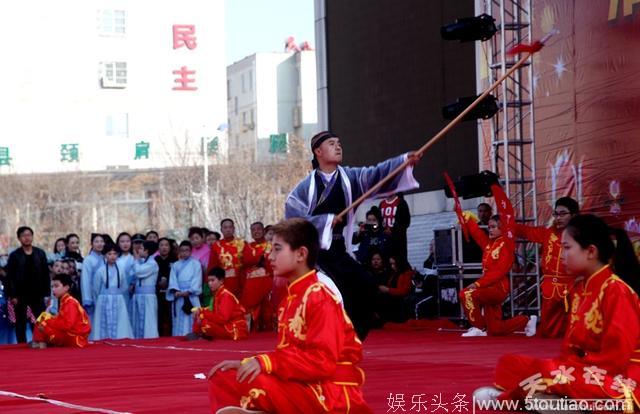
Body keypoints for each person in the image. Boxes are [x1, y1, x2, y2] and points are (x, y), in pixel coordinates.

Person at [474, 215, 640, 412]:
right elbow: (570, 349)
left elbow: (616, 358)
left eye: (567, 248)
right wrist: (564, 367)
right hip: (581, 371)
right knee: (510, 364)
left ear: (591, 252)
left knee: (549, 373)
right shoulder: (579, 289)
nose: (561, 254)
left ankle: (510, 399)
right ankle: (554, 398)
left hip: (618, 376)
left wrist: (568, 370)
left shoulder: (616, 290)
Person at [208, 218, 371, 413]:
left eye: (277, 249)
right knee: (226, 375)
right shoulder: (291, 297)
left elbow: (322, 361)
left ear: (301, 254)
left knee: (252, 379)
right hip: (302, 381)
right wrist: (250, 363)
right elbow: (290, 355)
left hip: (329, 390)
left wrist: (267, 362)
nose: (270, 256)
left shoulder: (319, 296)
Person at [285, 130, 420, 340]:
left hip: (339, 251)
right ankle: (326, 342)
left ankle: (351, 341)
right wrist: (326, 221)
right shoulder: (304, 189)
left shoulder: (351, 178)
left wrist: (403, 162)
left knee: (366, 289)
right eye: (332, 144)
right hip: (316, 256)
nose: (338, 147)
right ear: (318, 151)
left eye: (339, 143)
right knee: (331, 297)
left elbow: (376, 174)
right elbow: (293, 220)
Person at [457, 183, 537, 337]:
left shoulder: (506, 246)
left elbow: (499, 271)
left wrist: (478, 284)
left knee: (466, 293)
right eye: (489, 226)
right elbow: (476, 234)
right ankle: (527, 320)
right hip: (489, 289)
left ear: (502, 228)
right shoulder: (490, 244)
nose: (490, 229)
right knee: (496, 329)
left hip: (497, 289)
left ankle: (478, 327)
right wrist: (465, 217)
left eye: (493, 227)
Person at [514, 196, 579, 338]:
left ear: (574, 215)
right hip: (550, 286)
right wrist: (506, 223)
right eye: (556, 214)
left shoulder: (581, 236)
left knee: (575, 325)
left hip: (573, 285)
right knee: (549, 330)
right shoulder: (548, 233)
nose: (558, 218)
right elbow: (525, 231)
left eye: (563, 214)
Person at [5, 226, 51, 343]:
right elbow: (10, 277)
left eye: (29, 235)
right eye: (24, 235)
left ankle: (41, 341)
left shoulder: (40, 253)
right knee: (20, 322)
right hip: (20, 294)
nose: (27, 238)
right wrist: (13, 295)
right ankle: (21, 344)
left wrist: (47, 293)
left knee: (40, 319)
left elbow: (46, 274)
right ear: (19, 238)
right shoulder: (15, 256)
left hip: (38, 293)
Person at [30, 273, 91, 349]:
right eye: (52, 286)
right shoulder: (65, 300)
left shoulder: (70, 303)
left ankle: (41, 342)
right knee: (44, 317)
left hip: (75, 337)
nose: (53, 289)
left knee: (44, 322)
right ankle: (40, 341)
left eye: (56, 286)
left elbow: (67, 325)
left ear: (66, 288)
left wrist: (49, 321)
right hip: (71, 334)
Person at [191, 267, 248, 341]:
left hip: (235, 329)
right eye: (208, 281)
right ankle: (199, 335)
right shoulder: (218, 294)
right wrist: (200, 310)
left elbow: (222, 319)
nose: (210, 283)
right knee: (200, 316)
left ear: (221, 281)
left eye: (212, 280)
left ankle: (201, 336)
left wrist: (203, 313)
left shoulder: (225, 295)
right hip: (228, 325)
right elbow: (213, 311)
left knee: (204, 322)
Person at [90, 243, 133, 340]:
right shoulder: (100, 270)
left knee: (119, 319)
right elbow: (96, 289)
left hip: (118, 299)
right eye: (109, 254)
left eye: (114, 254)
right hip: (104, 299)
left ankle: (120, 337)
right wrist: (99, 300)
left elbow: (124, 286)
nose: (112, 256)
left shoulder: (121, 270)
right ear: (105, 255)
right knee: (104, 320)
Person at [241, 221, 274, 332]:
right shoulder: (248, 246)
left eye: (258, 229)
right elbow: (246, 260)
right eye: (253, 230)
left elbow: (272, 262)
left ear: (264, 231)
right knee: (251, 309)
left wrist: (262, 261)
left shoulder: (271, 245)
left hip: (267, 280)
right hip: (252, 283)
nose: (256, 232)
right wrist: (261, 258)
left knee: (268, 310)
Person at [167, 241, 202, 336]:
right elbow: (172, 280)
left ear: (191, 251)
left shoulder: (196, 264)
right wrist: (177, 291)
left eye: (187, 250)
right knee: (179, 319)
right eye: (182, 250)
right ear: (179, 251)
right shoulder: (175, 265)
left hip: (192, 296)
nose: (184, 253)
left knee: (192, 318)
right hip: (179, 296)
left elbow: (197, 279)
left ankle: (194, 337)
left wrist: (189, 291)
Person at [207, 219, 246, 299]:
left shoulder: (242, 243)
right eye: (225, 227)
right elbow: (212, 267)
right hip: (223, 283)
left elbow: (248, 263)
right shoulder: (216, 246)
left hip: (241, 282)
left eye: (230, 227)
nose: (228, 230)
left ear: (234, 229)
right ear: (221, 230)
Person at [131, 241, 160, 339]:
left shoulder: (152, 263)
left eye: (141, 248)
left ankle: (150, 339)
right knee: (138, 320)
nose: (139, 250)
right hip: (138, 295)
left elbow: (139, 272)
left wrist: (136, 260)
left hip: (148, 296)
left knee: (148, 320)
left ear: (147, 251)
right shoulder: (144, 262)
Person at [374, 255, 414, 325]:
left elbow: (404, 291)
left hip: (398, 300)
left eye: (394, 264)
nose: (392, 266)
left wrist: (388, 290)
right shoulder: (394, 273)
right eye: (391, 264)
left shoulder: (406, 273)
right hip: (392, 297)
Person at [379, 192, 411, 262]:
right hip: (385, 242)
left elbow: (406, 222)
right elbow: (379, 221)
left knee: (399, 262)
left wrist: (393, 230)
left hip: (398, 242)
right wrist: (383, 230)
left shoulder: (401, 202)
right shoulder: (381, 204)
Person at [80, 233, 105, 322]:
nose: (99, 244)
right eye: (96, 241)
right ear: (92, 244)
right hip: (92, 294)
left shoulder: (105, 258)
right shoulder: (88, 260)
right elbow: (85, 281)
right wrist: (87, 299)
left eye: (102, 241)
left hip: (103, 294)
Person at [155, 237, 176, 337]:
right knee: (158, 316)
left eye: (166, 245)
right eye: (161, 245)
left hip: (170, 293)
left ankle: (171, 336)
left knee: (170, 316)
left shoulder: (175, 260)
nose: (164, 247)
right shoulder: (155, 260)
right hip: (157, 293)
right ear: (158, 247)